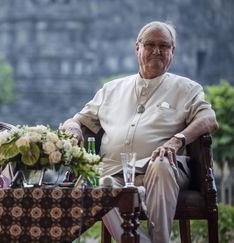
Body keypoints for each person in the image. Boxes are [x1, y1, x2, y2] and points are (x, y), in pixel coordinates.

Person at [61, 21, 218, 243]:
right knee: (99, 185)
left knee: (161, 164)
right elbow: (75, 121)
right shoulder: (111, 90)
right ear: (138, 48)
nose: (156, 51)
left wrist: (176, 141)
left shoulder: (186, 88)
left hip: (164, 170)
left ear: (172, 51)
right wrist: (74, 128)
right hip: (114, 172)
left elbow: (209, 119)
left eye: (164, 46)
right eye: (150, 44)